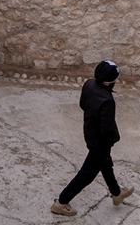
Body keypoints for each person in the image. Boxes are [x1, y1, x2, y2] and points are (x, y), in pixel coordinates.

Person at [51, 60, 134, 216]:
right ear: (112, 81)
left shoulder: (89, 84)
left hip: (89, 132)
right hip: (100, 143)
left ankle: (116, 194)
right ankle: (61, 202)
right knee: (87, 174)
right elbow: (107, 129)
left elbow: (83, 104)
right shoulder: (108, 101)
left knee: (105, 163)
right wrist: (115, 138)